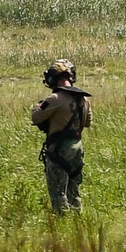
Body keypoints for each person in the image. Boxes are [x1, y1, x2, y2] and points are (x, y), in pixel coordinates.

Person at [31, 59, 93, 214]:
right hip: (77, 148)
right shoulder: (84, 99)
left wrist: (38, 107)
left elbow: (36, 117)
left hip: (59, 150)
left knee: (58, 193)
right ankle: (77, 220)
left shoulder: (55, 99)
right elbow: (87, 122)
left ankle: (62, 223)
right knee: (74, 191)